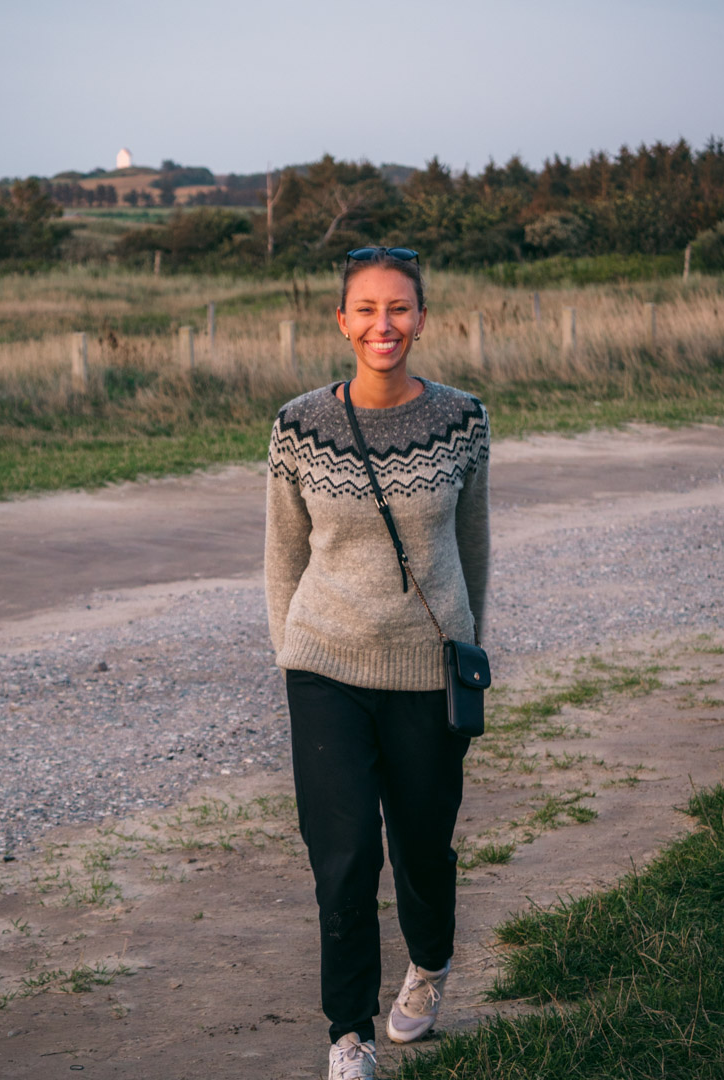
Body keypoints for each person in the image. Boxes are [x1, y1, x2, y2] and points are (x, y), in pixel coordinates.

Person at [264, 246, 490, 1080]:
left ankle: (429, 967)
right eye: (366, 309)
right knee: (346, 853)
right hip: (325, 665)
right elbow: (283, 554)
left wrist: (469, 651)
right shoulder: (298, 425)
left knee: (424, 845)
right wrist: (290, 653)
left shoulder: (463, 419)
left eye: (399, 308)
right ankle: (347, 1033)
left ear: (422, 319)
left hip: (429, 671)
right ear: (342, 321)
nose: (382, 325)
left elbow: (474, 547)